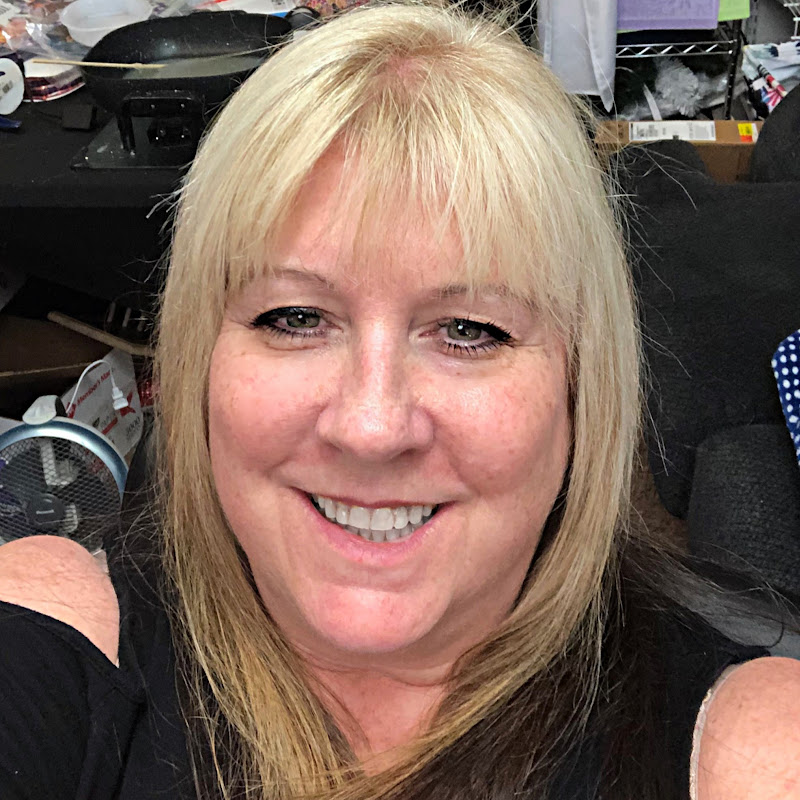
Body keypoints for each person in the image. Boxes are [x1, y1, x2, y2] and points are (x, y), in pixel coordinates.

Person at [1, 3, 799, 799]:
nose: (372, 427)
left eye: (469, 330)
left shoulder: (748, 746)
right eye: (295, 317)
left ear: (581, 382)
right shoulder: (56, 621)